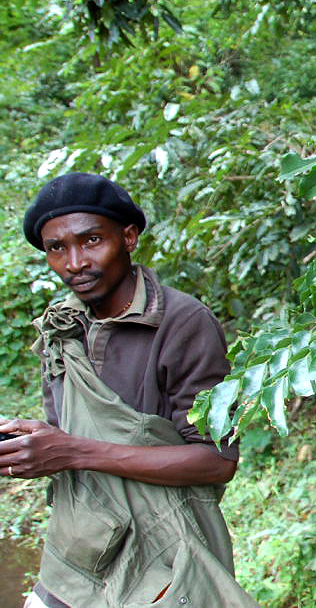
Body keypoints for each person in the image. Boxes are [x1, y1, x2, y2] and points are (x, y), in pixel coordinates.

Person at [0, 172, 257, 608]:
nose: (75, 262)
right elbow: (63, 427)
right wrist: (29, 450)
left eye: (92, 241)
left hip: (162, 553)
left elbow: (216, 462)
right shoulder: (62, 324)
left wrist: (71, 452)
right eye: (56, 248)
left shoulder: (183, 323)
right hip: (78, 548)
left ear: (129, 237)